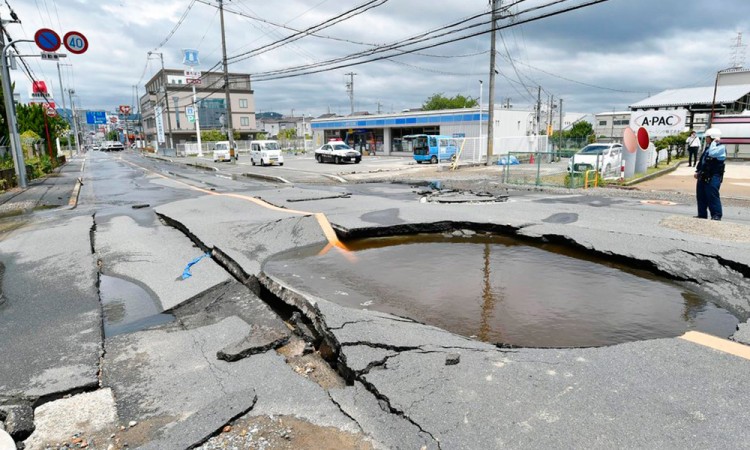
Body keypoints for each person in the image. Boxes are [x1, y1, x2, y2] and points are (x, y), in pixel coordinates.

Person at [694, 128, 726, 220]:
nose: (706, 139)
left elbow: (712, 153)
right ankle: (702, 214)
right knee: (701, 195)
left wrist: (714, 142)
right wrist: (698, 171)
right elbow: (702, 161)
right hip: (704, 174)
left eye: (707, 137)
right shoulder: (708, 147)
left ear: (712, 138)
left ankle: (716, 215)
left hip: (714, 176)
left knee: (712, 195)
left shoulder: (721, 148)